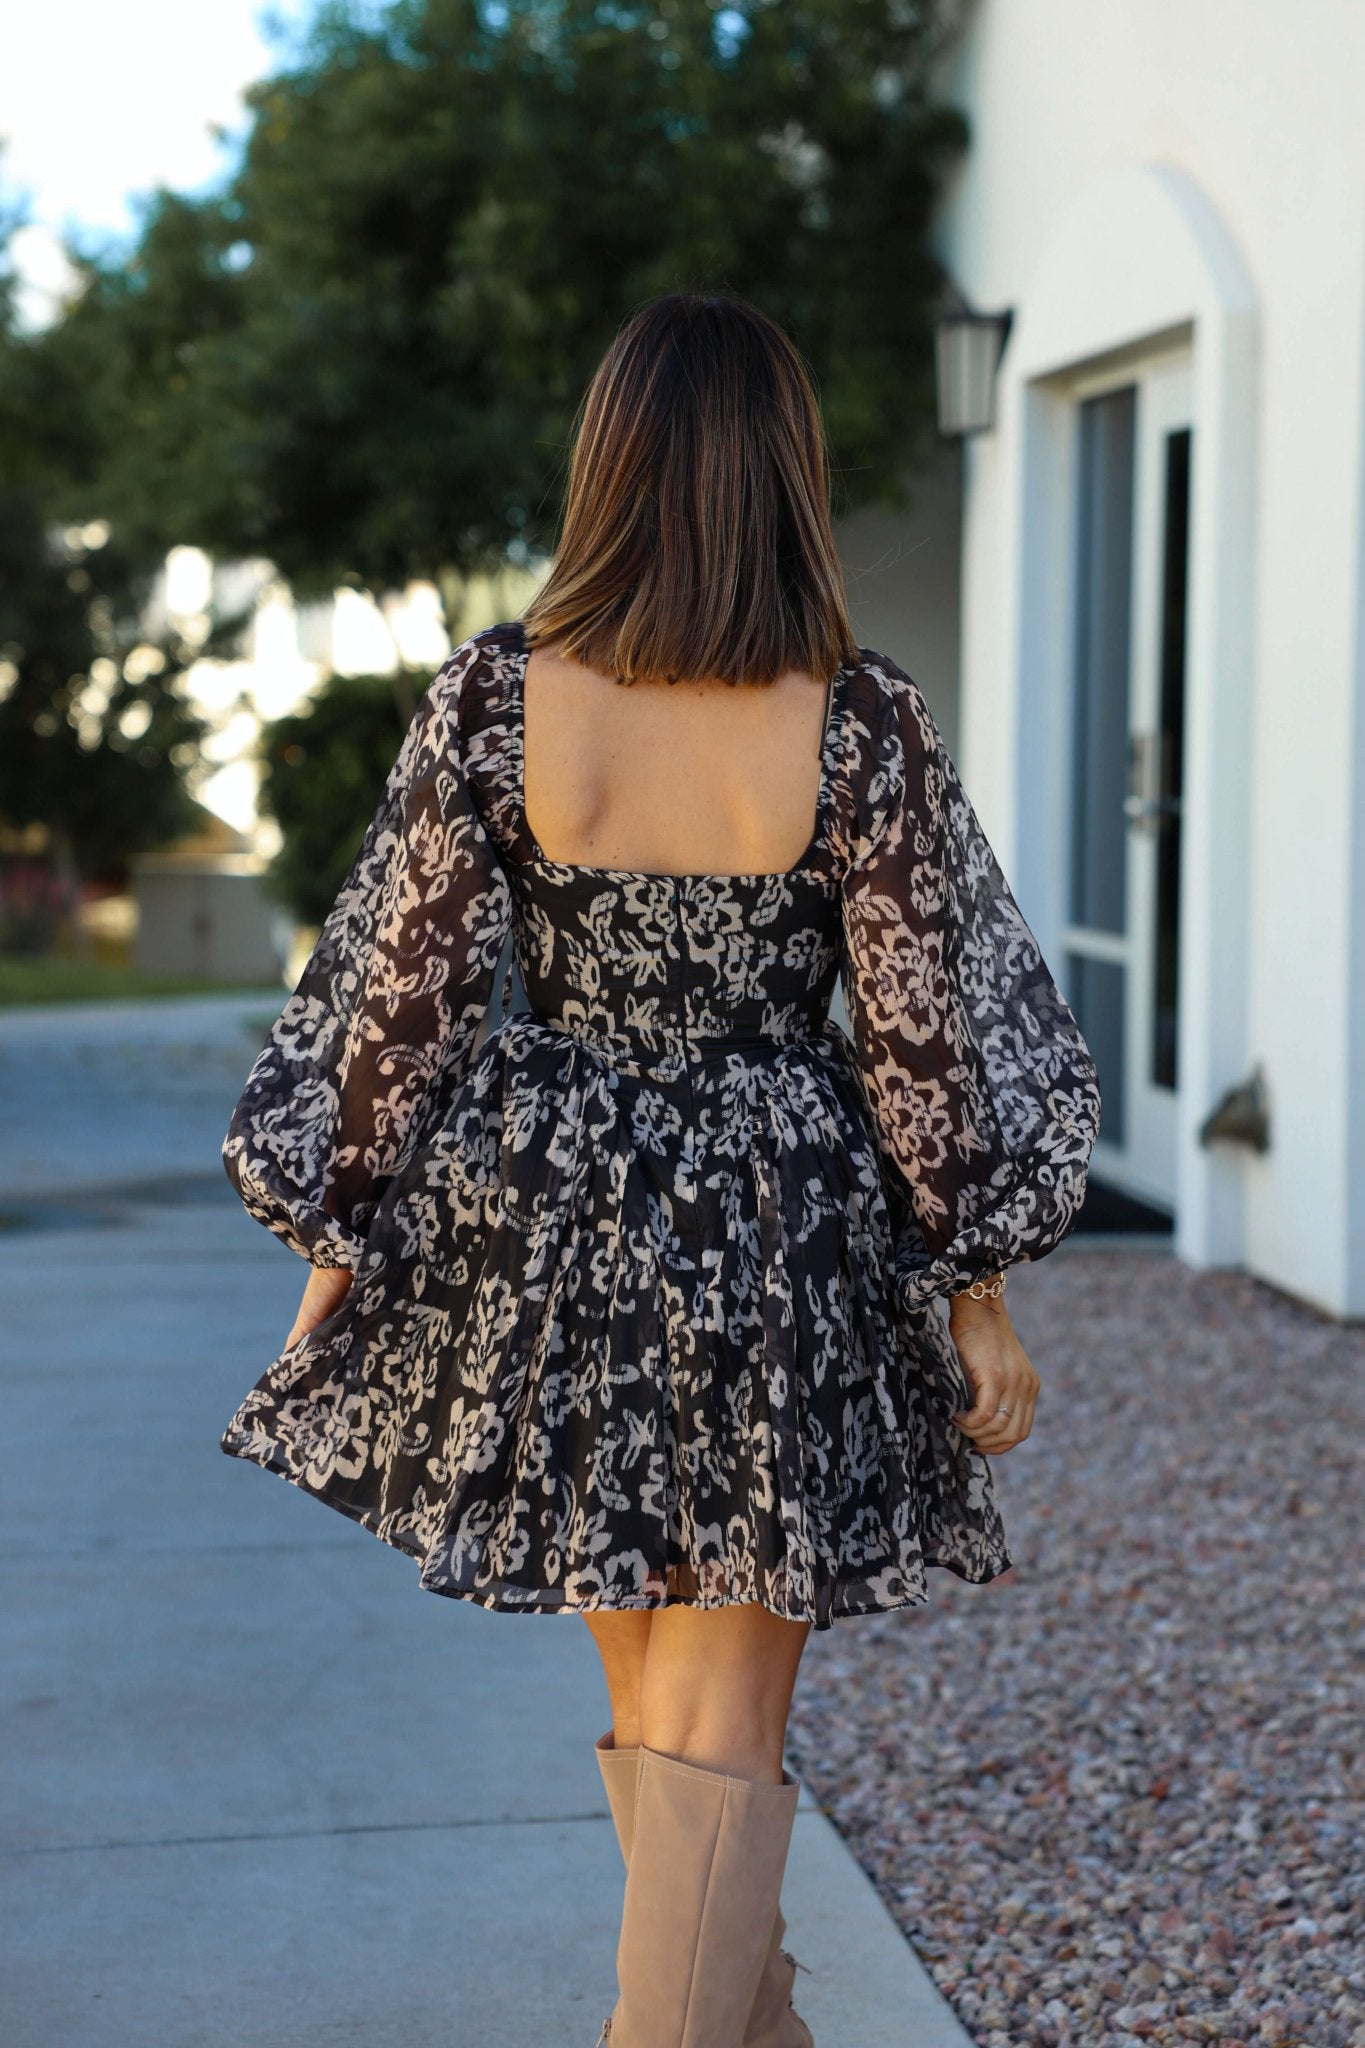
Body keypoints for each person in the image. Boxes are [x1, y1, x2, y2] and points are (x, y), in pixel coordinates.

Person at [218, 289, 1101, 2047]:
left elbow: (385, 1009)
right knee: (718, 1730)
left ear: (608, 467)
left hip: (551, 1252)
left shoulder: (492, 700)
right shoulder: (856, 722)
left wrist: (331, 1269)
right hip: (778, 1238)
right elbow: (926, 1038)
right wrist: (975, 1288)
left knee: (663, 1726)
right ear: (784, 472)